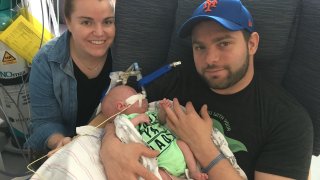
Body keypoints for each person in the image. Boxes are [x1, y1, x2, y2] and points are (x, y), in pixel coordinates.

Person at [100, 0, 314, 179]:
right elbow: (119, 107)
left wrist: (202, 145)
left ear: (252, 44)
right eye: (200, 47)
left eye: (224, 43)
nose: (210, 59)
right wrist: (109, 147)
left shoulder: (289, 121)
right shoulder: (177, 78)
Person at [25, 0, 116, 154]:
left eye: (107, 22)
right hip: (69, 150)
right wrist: (59, 141)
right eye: (87, 22)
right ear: (68, 22)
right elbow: (44, 123)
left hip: (110, 143)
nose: (100, 32)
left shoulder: (126, 55)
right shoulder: (46, 62)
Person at [100, 85, 208, 180]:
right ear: (121, 106)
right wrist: (138, 119)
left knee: (183, 144)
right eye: (136, 94)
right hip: (160, 160)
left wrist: (163, 110)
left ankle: (193, 171)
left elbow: (160, 121)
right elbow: (122, 131)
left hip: (173, 146)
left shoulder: (149, 112)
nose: (141, 95)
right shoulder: (122, 120)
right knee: (159, 175)